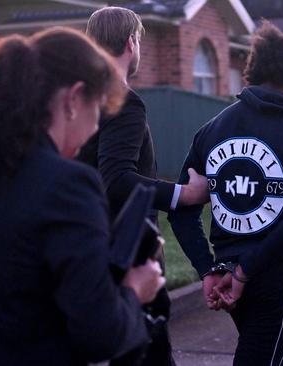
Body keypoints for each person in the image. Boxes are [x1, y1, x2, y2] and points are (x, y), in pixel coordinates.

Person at [0, 27, 165, 366]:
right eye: (97, 109)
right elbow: (100, 335)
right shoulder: (69, 187)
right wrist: (134, 291)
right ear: (73, 99)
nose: (96, 127)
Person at [168, 21, 283, 366]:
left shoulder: (212, 129)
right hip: (273, 277)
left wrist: (209, 269)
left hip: (231, 274)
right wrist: (240, 272)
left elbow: (181, 209)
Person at [77, 7, 208, 366]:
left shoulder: (78, 98)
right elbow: (117, 178)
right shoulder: (123, 100)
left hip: (84, 243)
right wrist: (187, 195)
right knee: (147, 353)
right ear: (132, 43)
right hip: (129, 248)